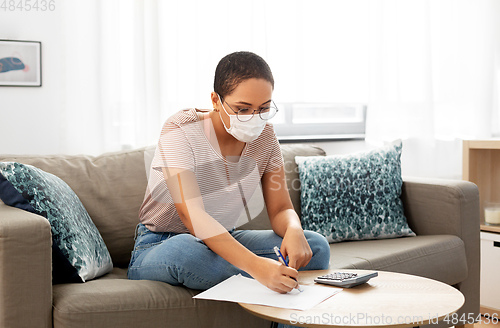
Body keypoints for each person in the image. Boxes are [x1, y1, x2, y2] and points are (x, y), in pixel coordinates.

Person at [128, 51, 330, 303]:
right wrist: (257, 267)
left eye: (264, 109)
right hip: (160, 244)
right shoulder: (180, 129)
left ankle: (270, 287)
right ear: (215, 100)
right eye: (242, 109)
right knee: (187, 252)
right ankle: (271, 284)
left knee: (316, 246)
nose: (254, 118)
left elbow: (280, 209)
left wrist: (294, 228)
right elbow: (192, 216)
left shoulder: (266, 137)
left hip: (226, 239)